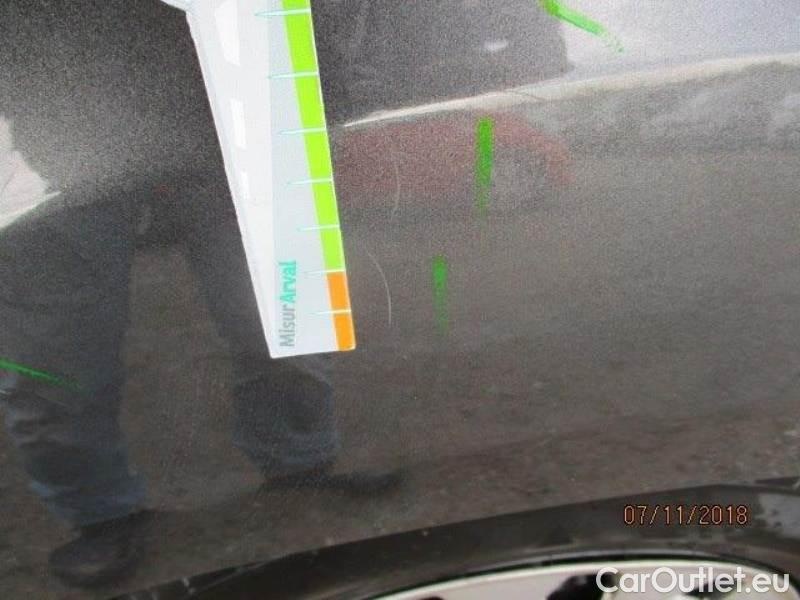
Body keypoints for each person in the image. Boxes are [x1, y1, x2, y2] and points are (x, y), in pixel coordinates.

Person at [0, 0, 399, 588]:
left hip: (234, 97)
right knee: (57, 353)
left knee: (284, 312)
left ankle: (301, 460)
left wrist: (331, 78)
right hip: (62, 114)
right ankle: (98, 513)